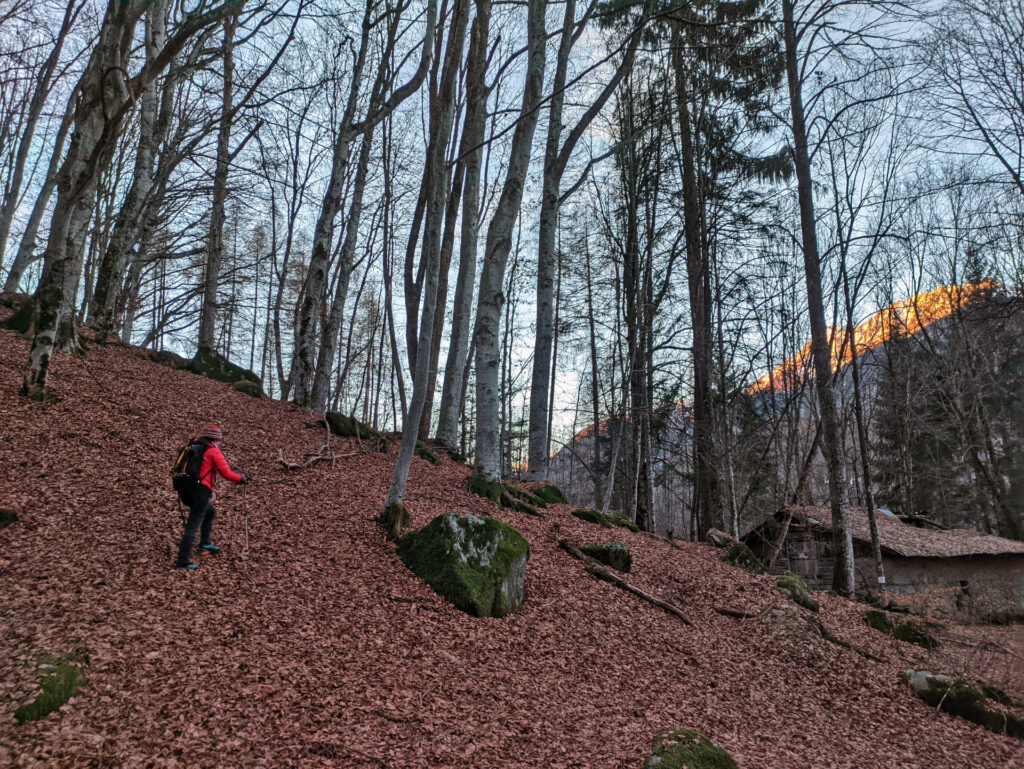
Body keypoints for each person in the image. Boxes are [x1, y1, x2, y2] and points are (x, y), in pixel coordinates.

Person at [174, 425, 248, 569]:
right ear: (216, 438)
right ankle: (182, 561)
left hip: (185, 491)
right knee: (192, 526)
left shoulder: (193, 446)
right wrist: (241, 478)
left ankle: (204, 544)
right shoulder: (213, 451)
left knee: (210, 512)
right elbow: (226, 473)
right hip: (200, 493)